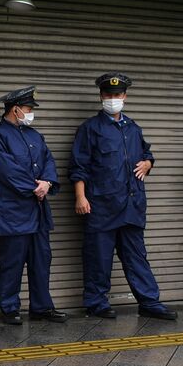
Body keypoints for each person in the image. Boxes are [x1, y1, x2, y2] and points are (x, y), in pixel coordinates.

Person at [70, 73, 177, 321]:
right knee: (98, 258)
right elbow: (78, 166)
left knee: (136, 257)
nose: (113, 99)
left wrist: (148, 163)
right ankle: (96, 303)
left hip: (131, 205)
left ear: (125, 96)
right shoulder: (90, 129)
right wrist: (80, 197)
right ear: (101, 96)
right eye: (108, 94)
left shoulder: (133, 128)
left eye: (117, 95)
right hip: (101, 206)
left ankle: (149, 302)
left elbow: (146, 152)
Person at [0, 85, 66, 325]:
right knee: (12, 261)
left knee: (42, 260)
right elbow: (6, 170)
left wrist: (47, 183)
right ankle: (9, 308)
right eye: (28, 109)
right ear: (15, 109)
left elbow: (48, 161)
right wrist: (35, 187)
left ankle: (42, 307)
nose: (31, 113)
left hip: (38, 211)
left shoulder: (35, 136)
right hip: (12, 211)